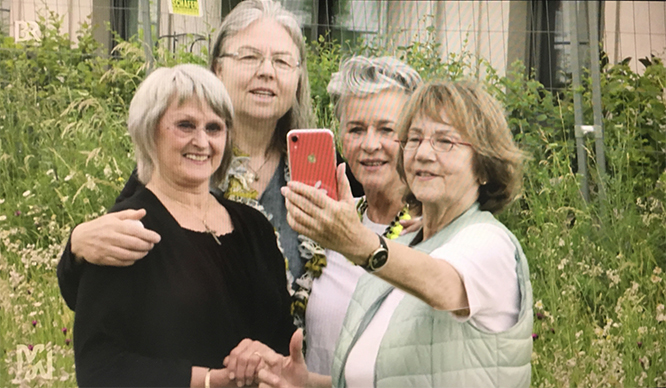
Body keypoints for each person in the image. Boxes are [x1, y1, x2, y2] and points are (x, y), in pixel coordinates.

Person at [57, 0, 338, 328]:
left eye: (282, 61)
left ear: (298, 77)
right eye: (249, 57)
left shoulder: (323, 168)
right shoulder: (181, 165)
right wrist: (76, 250)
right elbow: (96, 291)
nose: (267, 71)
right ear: (217, 69)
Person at [258, 79, 534, 387]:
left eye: (445, 141)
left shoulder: (490, 241)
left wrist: (356, 241)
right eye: (414, 139)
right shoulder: (407, 242)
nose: (423, 153)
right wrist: (307, 383)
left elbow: (442, 286)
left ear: (484, 167)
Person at [72, 64, 295, 387]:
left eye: (214, 128)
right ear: (149, 132)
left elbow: (280, 335)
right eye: (185, 125)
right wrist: (210, 381)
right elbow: (99, 368)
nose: (201, 141)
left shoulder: (254, 227)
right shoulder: (126, 229)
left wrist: (264, 356)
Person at [303, 55, 421, 375]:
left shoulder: (432, 230)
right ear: (340, 136)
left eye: (386, 129)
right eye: (356, 129)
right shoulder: (331, 220)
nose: (370, 145)